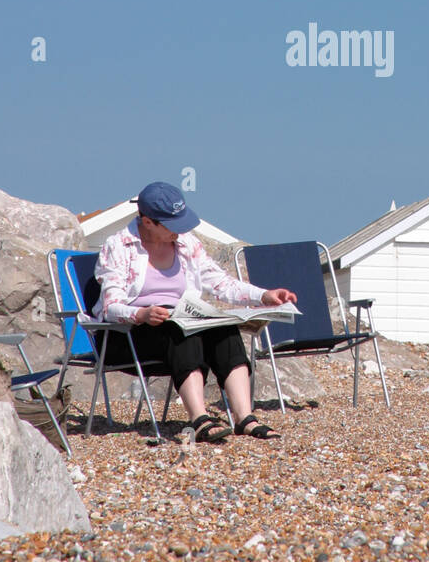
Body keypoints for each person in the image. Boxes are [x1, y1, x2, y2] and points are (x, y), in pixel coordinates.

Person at [93, 181, 297, 443]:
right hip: (127, 334)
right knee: (181, 330)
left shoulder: (187, 244)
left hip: (179, 322)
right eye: (172, 225)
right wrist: (142, 314)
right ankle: (199, 418)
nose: (180, 231)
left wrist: (264, 296)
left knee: (224, 328)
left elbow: (221, 283)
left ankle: (245, 417)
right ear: (147, 222)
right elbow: (111, 306)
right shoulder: (118, 246)